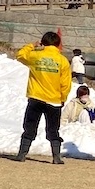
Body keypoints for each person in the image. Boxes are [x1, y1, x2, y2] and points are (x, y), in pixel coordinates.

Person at [13, 30, 72, 164]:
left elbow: (20, 55)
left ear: (43, 42)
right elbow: (65, 84)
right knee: (53, 129)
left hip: (36, 97)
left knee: (30, 127)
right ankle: (56, 156)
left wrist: (32, 45)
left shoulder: (35, 56)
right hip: (54, 100)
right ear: (58, 44)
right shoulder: (62, 61)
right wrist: (63, 98)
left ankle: (22, 154)